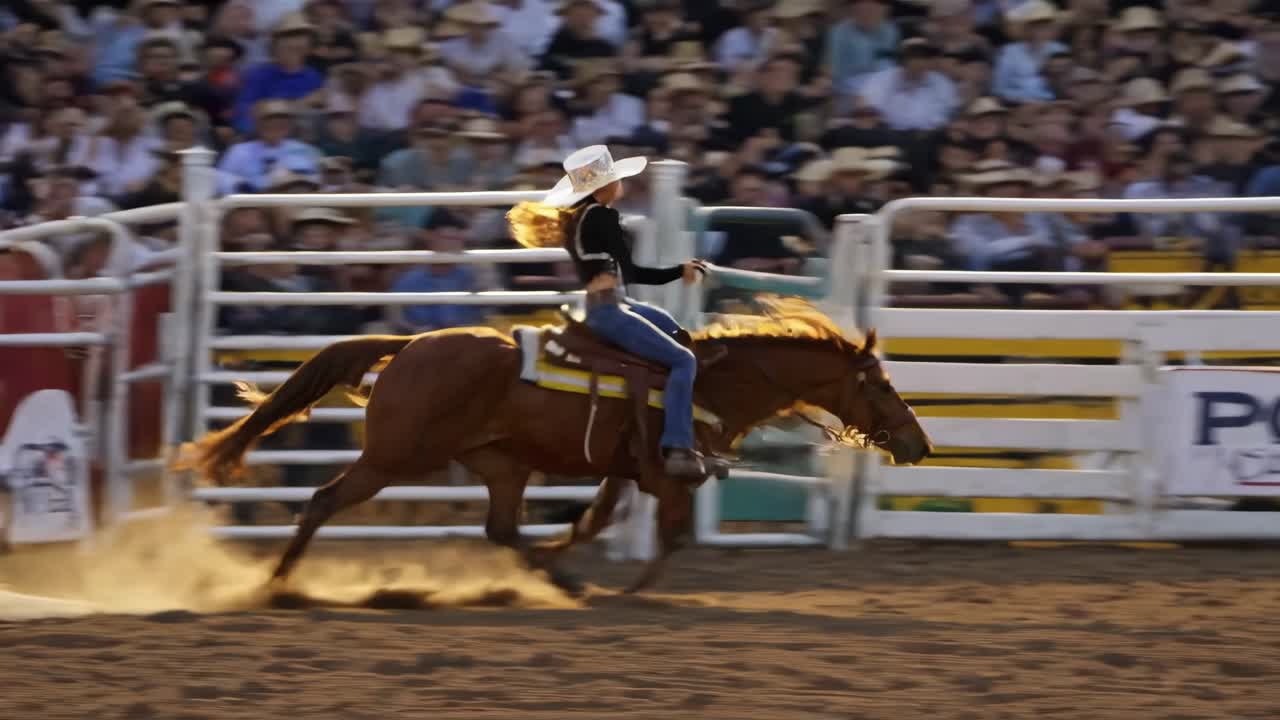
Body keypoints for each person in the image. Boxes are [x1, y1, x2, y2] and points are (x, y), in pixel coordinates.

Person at [505, 145, 709, 479]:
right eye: (616, 179)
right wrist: (680, 271)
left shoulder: (579, 219)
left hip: (609, 304)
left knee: (674, 331)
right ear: (605, 187)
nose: (621, 184)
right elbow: (632, 272)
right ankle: (678, 446)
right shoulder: (602, 216)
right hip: (609, 310)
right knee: (684, 360)